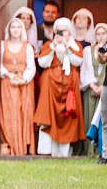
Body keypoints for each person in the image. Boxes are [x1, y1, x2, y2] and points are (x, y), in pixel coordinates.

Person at [34, 17, 85, 157]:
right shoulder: (49, 44)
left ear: (69, 32)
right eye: (59, 31)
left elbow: (77, 60)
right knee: (48, 115)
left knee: (68, 117)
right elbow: (43, 62)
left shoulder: (75, 45)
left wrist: (67, 46)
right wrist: (53, 47)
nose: (62, 33)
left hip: (69, 85)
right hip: (50, 85)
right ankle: (46, 150)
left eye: (65, 31)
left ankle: (64, 152)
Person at [0, 18, 36, 155]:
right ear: (9, 29)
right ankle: (10, 145)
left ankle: (23, 149)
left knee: (24, 114)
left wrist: (23, 79)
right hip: (8, 83)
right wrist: (9, 75)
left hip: (24, 85)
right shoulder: (3, 45)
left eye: (18, 27)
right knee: (9, 114)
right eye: (13, 27)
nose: (15, 30)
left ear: (22, 30)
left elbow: (31, 67)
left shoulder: (28, 47)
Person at [80, 23, 107, 157]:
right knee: (90, 118)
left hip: (105, 87)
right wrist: (93, 85)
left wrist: (103, 86)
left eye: (103, 33)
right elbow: (85, 70)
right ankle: (90, 151)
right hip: (92, 88)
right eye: (98, 33)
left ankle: (103, 151)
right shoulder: (88, 51)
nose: (101, 36)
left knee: (104, 120)